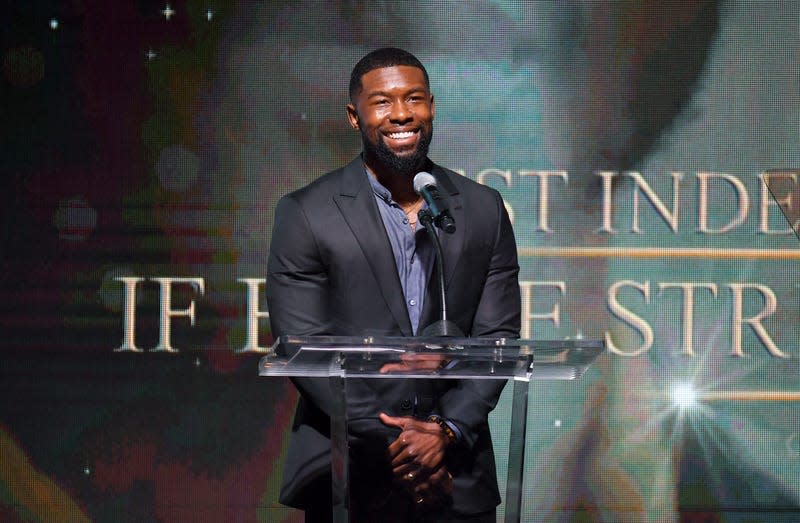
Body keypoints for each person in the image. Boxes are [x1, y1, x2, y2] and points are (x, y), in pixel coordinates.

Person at [266, 47, 520, 522]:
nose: (401, 113)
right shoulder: (306, 212)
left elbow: (498, 340)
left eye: (414, 99)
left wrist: (445, 431)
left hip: (457, 478)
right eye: (382, 101)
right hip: (346, 475)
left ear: (432, 107)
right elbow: (303, 348)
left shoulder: (483, 208)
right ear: (354, 115)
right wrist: (403, 450)